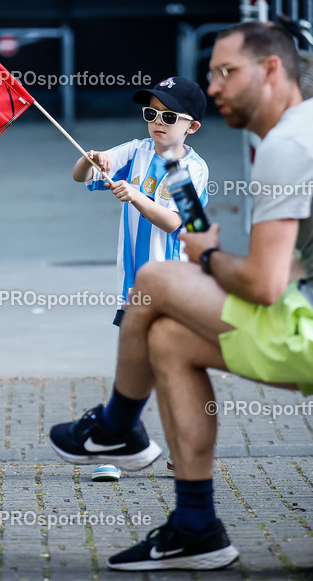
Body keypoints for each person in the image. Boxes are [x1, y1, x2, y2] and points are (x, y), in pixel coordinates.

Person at [49, 21, 313, 571]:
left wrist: (206, 255)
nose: (217, 86)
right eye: (212, 74)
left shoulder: (287, 146)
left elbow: (263, 284)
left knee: (155, 282)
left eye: (228, 73)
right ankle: (195, 527)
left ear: (273, 70)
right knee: (168, 337)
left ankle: (115, 427)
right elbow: (297, 266)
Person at [68, 77, 210, 482]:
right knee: (134, 368)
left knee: (171, 370)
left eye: (168, 116)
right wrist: (91, 159)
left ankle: (146, 445)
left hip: (176, 287)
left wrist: (138, 197)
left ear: (191, 127)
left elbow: (181, 222)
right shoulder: (136, 151)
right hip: (134, 289)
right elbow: (82, 175)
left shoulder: (188, 169)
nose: (157, 123)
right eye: (151, 114)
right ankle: (118, 443)